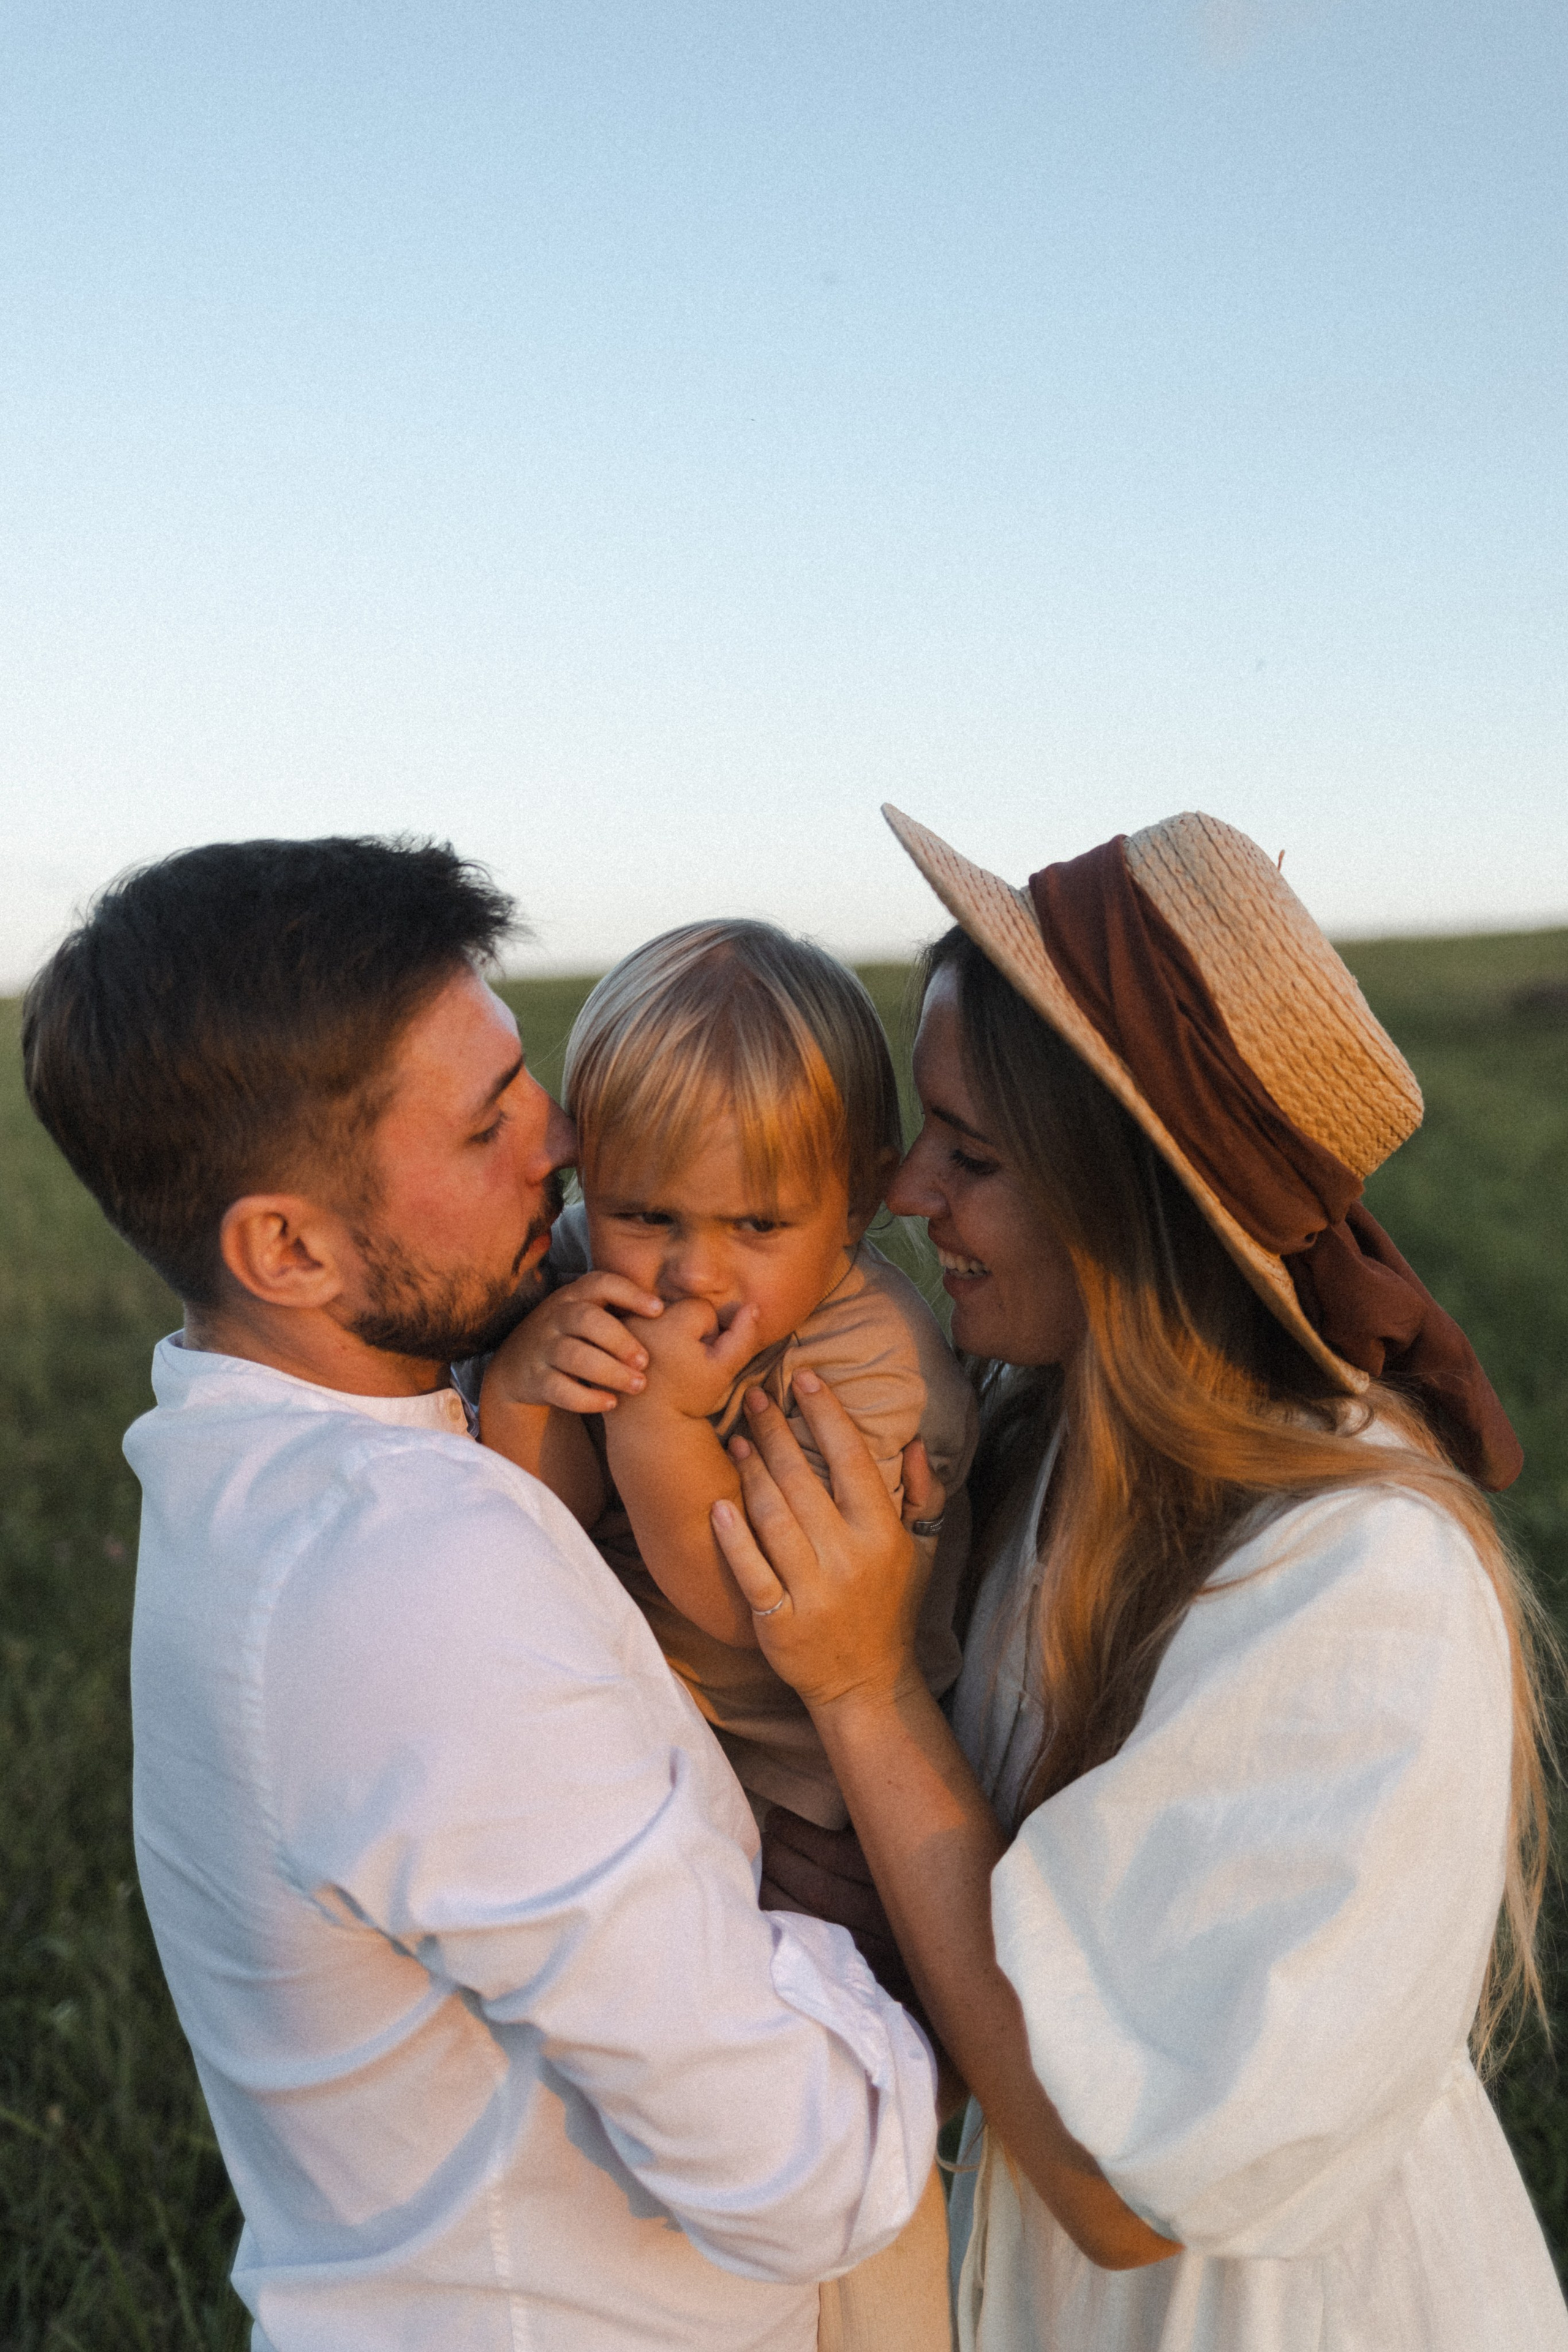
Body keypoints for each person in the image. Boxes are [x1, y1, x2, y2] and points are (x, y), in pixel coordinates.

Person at [19, 837, 939, 2352]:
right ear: (290, 1248)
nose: (565, 1141)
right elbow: (809, 2176)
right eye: (484, 1126)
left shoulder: (248, 1462)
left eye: (527, 1079)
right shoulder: (410, 1583)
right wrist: (879, 1954)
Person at [709, 806, 1568, 2350]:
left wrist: (858, 1689)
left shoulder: (1356, 1578)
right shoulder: (1042, 1450)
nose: (907, 1192)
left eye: (970, 1153)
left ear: (1128, 1201)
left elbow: (1118, 2187)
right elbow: (1008, 1932)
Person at [478, 919, 979, 2352]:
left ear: (857, 1200)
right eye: (646, 1216)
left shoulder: (865, 1363)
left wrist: (651, 1417)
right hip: (669, 1786)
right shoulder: (599, 1267)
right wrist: (523, 1397)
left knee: (846, 2175)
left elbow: (737, 1593)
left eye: (757, 1227)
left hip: (817, 1823)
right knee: (650, 2167)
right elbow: (546, 1542)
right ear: (591, 1179)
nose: (697, 1271)